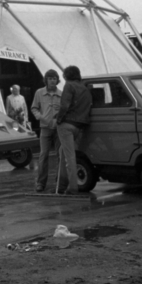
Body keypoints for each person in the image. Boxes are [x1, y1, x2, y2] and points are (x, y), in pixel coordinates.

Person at [55, 65, 92, 194]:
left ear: (66, 76)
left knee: (69, 157)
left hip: (66, 125)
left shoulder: (69, 86)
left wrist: (59, 119)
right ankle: (60, 186)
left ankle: (72, 188)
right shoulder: (85, 88)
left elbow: (64, 105)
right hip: (79, 125)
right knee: (63, 152)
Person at [30, 70, 62, 192]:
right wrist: (40, 117)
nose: (52, 81)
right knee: (43, 155)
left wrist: (59, 117)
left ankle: (59, 181)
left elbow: (66, 109)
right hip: (45, 128)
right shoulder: (39, 93)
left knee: (60, 155)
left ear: (57, 80)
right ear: (46, 80)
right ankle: (41, 183)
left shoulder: (61, 94)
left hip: (58, 128)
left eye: (54, 78)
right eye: (50, 78)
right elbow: (34, 108)